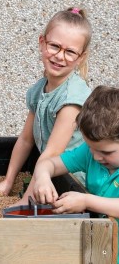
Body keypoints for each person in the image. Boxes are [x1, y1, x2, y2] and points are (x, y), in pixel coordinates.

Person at [0, 7, 92, 204]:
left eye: (70, 52)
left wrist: (26, 202)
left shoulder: (72, 98)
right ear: (42, 42)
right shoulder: (40, 89)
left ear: (80, 57)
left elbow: (53, 153)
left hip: (73, 182)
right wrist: (8, 181)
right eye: (55, 46)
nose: (60, 56)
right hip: (47, 174)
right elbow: (26, 140)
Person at [33, 85, 119, 259]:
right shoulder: (90, 153)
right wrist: (42, 178)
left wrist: (86, 200)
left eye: (106, 152)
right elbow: (49, 164)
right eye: (91, 147)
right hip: (99, 249)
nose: (96, 157)